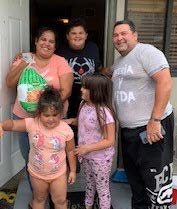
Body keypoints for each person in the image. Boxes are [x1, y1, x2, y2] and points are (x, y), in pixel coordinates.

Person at [111, 19, 174, 208]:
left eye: (124, 33)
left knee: (155, 180)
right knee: (136, 180)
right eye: (115, 35)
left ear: (135, 35)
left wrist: (155, 119)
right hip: (129, 131)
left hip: (151, 127)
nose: (119, 38)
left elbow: (165, 82)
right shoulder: (119, 62)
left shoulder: (147, 52)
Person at [6, 27, 74, 188]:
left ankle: (55, 191)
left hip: (53, 119)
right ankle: (37, 193)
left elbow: (66, 91)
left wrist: (44, 110)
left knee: (54, 156)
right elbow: (9, 83)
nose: (47, 44)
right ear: (36, 41)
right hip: (24, 117)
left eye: (51, 41)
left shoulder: (60, 62)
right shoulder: (23, 59)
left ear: (55, 45)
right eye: (43, 39)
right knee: (30, 156)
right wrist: (24, 62)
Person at [0, 86, 76, 209]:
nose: (51, 119)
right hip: (37, 174)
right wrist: (2, 125)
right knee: (39, 200)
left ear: (61, 113)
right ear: (39, 113)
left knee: (60, 201)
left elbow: (71, 151)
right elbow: (13, 124)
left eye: (55, 115)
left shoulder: (66, 130)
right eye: (46, 115)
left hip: (59, 174)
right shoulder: (32, 123)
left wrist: (72, 170)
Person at [66, 73, 116, 209]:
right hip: (86, 155)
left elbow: (110, 140)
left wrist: (87, 148)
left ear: (96, 91)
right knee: (89, 183)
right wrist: (68, 121)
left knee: (102, 189)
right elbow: (82, 122)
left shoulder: (104, 113)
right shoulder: (83, 104)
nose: (81, 89)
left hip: (100, 159)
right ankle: (88, 205)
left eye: (85, 87)